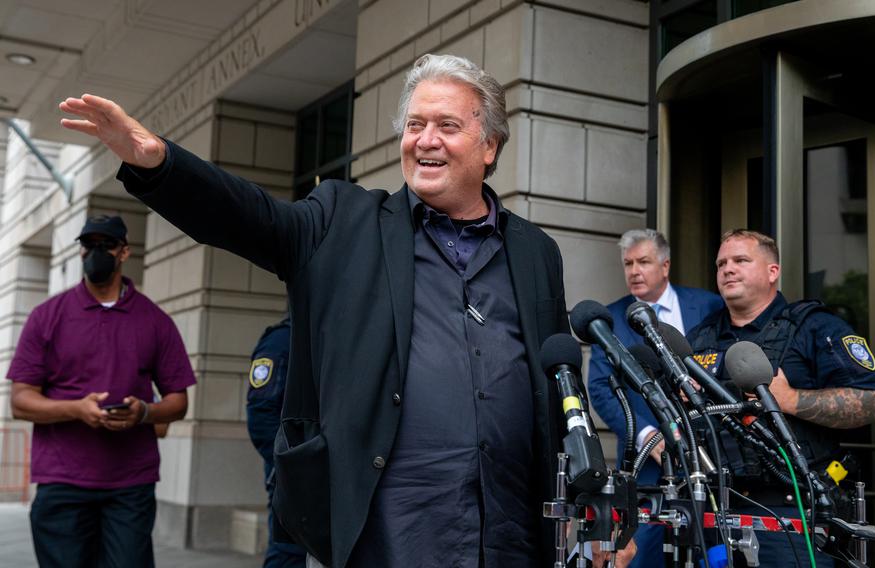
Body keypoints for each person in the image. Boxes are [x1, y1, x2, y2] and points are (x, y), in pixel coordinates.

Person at [59, 54, 574, 568]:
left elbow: (556, 388)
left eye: (447, 126)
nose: (425, 139)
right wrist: (159, 162)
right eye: (415, 125)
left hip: (511, 535)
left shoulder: (535, 252)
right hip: (390, 534)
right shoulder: (342, 221)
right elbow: (250, 217)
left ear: (490, 146)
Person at [686, 229, 875, 567]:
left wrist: (790, 399)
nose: (727, 269)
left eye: (740, 260)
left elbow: (874, 403)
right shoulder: (700, 337)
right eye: (721, 263)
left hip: (793, 513)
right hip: (716, 509)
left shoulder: (814, 328)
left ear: (772, 272)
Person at [6, 214, 196, 568]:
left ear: (123, 252)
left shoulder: (155, 321)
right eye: (89, 245)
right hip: (62, 479)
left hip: (129, 484)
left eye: (105, 245)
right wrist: (77, 409)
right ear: (80, 252)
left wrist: (144, 413)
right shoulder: (47, 316)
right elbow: (20, 401)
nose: (96, 252)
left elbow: (178, 401)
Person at [587, 228, 723, 568]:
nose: (634, 271)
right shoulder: (609, 319)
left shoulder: (709, 306)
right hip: (644, 462)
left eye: (643, 262)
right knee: (644, 553)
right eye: (628, 263)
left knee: (707, 548)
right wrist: (650, 435)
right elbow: (601, 389)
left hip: (705, 454)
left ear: (665, 266)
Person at [247, 317, 308, 567]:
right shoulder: (282, 340)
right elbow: (261, 418)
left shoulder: (319, 335)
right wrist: (294, 468)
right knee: (289, 555)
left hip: (321, 476)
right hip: (296, 478)